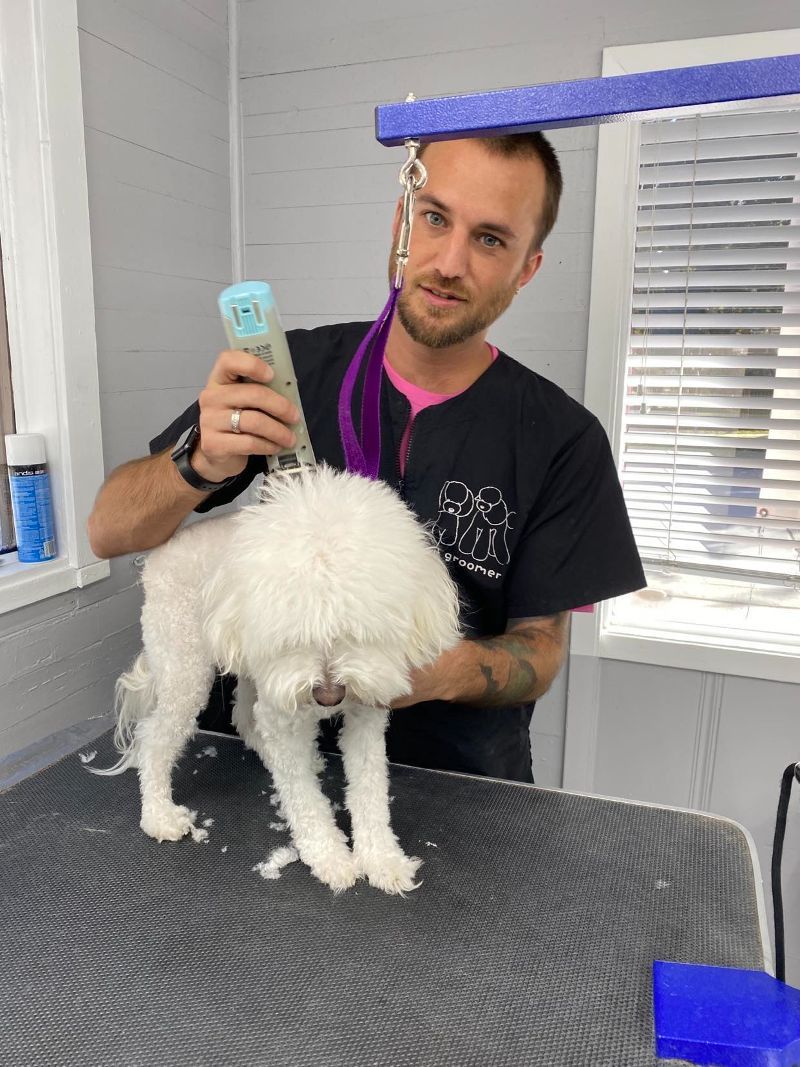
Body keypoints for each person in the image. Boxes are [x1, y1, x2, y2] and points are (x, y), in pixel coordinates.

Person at [88, 133, 645, 784]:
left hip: (454, 784)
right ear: (401, 220)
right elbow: (108, 530)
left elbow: (541, 650)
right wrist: (198, 463)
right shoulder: (286, 375)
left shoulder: (563, 440)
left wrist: (431, 672)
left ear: (528, 267)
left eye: (491, 239)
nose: (449, 261)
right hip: (255, 759)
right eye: (434, 218)